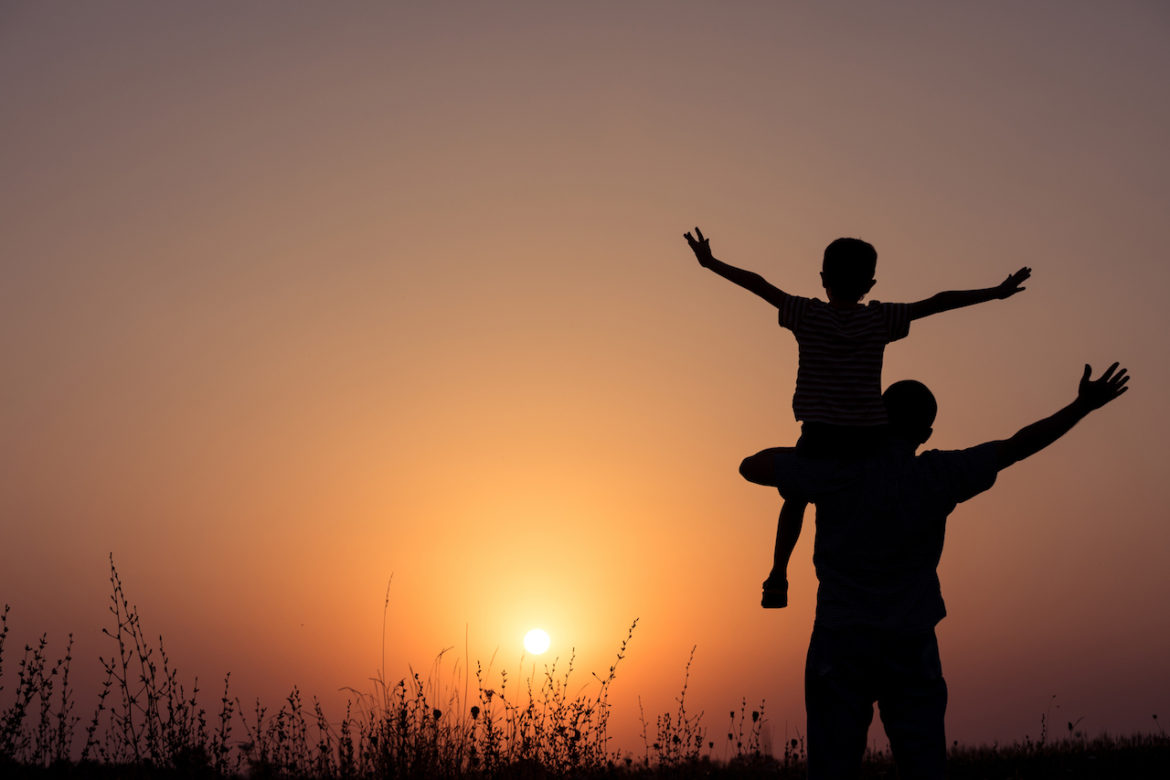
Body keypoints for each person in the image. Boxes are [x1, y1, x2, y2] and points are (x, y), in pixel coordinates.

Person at [739, 362, 1130, 780]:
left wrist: (821, 446)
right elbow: (1018, 445)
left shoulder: (835, 471)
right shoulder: (939, 474)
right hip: (911, 644)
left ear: (875, 419)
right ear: (925, 434)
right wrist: (1080, 407)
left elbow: (751, 466)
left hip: (841, 641)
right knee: (924, 768)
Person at [684, 226, 1031, 607]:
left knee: (796, 497)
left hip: (818, 439)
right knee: (848, 494)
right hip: (868, 443)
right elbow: (937, 302)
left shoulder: (806, 313)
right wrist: (994, 293)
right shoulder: (879, 320)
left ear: (823, 279)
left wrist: (711, 263)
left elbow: (759, 285)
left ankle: (778, 574)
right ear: (870, 284)